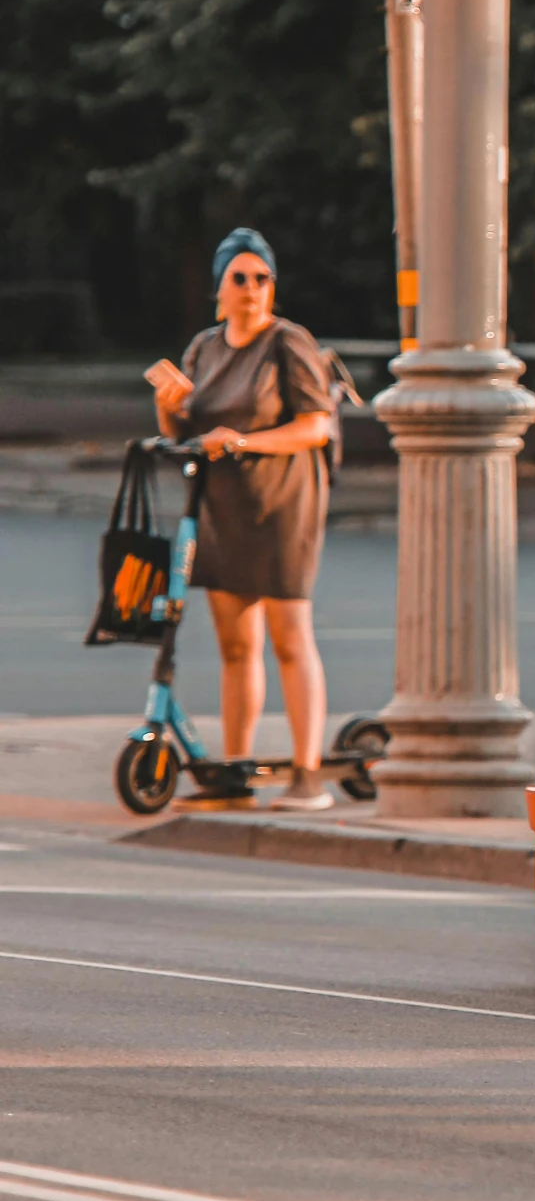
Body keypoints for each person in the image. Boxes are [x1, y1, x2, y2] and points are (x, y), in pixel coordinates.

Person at [144, 227, 336, 812]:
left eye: (262, 277)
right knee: (235, 645)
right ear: (219, 288)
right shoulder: (205, 348)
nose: (252, 288)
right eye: (240, 277)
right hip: (221, 507)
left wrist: (246, 440)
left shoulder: (288, 341)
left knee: (289, 637)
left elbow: (316, 425)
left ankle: (308, 774)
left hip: (281, 503)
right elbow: (184, 432)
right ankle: (237, 768)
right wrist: (168, 407)